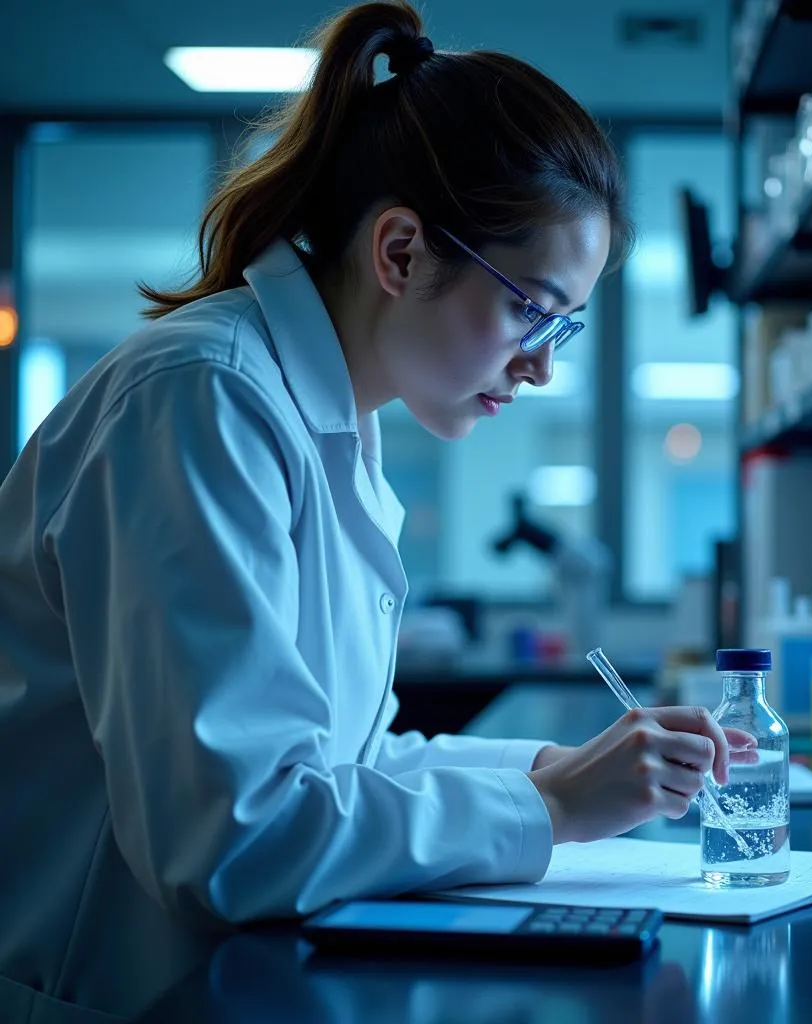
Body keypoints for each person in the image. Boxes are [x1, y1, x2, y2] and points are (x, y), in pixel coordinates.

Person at [0, 1, 753, 1014]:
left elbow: (346, 762)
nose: (538, 365)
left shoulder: (331, 423)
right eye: (531, 307)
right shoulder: (200, 398)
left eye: (563, 329)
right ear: (399, 253)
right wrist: (555, 804)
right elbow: (236, 835)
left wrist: (554, 767)